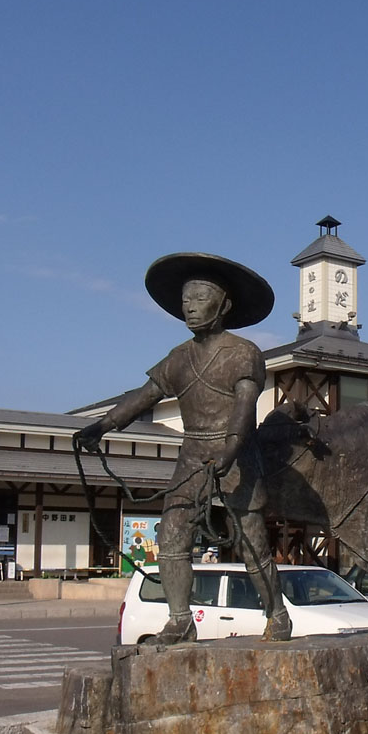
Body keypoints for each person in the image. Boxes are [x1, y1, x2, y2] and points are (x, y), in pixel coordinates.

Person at [74, 253, 291, 644]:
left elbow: (245, 405)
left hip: (237, 454)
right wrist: (104, 425)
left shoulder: (244, 352)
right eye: (185, 297)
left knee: (248, 539)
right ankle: (180, 620)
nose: (188, 304)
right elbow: (147, 394)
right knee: (172, 534)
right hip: (191, 455)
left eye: (200, 295)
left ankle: (276, 613)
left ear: (223, 304)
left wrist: (231, 447)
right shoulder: (179, 357)